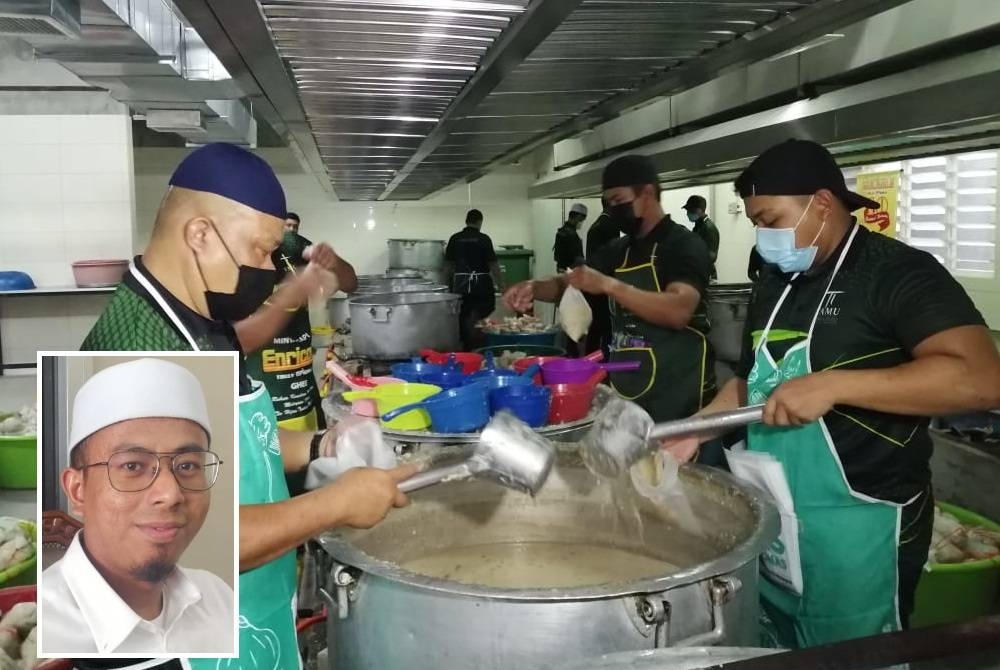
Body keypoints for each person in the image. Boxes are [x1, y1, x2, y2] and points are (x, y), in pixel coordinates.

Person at [81, 143, 417, 669]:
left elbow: (230, 439)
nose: (268, 269)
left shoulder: (192, 317)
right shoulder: (140, 353)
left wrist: (321, 443)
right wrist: (336, 503)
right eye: (260, 251)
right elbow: (179, 541)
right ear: (199, 234)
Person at [660, 138, 1000, 649]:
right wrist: (698, 428)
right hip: (779, 517)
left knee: (852, 654)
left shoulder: (896, 272)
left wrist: (835, 384)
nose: (762, 235)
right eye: (755, 222)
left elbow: (980, 378)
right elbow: (751, 381)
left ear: (821, 204)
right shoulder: (776, 280)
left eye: (770, 219)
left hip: (861, 524)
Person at [504, 155, 718, 441]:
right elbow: (568, 283)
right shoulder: (618, 250)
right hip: (630, 389)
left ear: (647, 194)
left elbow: (679, 310)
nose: (613, 210)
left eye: (618, 201)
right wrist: (533, 286)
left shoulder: (683, 245)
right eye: (608, 203)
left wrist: (610, 285)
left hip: (681, 395)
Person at [42, 358, 234, 655]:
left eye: (187, 465)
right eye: (132, 466)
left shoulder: (218, 599)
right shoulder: (41, 631)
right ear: (78, 490)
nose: (170, 494)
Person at [245, 211, 357, 432]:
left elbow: (351, 283)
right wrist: (291, 295)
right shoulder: (237, 257)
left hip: (300, 386)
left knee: (308, 450)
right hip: (260, 393)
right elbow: (237, 340)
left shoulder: (292, 245)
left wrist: (333, 261)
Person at [444, 209, 505, 350]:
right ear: (480, 222)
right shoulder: (484, 239)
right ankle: (478, 338)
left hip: (460, 284)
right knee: (485, 307)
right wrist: (501, 284)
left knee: (463, 312)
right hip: (481, 284)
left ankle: (466, 342)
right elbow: (493, 264)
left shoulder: (454, 238)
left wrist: (446, 285)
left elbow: (447, 265)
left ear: (466, 221)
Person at [682, 195, 720, 281]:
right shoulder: (699, 226)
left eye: (690, 210)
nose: (687, 213)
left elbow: (712, 256)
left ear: (699, 210)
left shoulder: (708, 228)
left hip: (706, 274)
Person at [554, 203, 587, 273]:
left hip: (562, 270)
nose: (581, 223)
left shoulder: (561, 231)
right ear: (578, 217)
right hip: (570, 272)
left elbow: (557, 257)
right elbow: (578, 259)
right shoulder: (571, 234)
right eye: (581, 220)